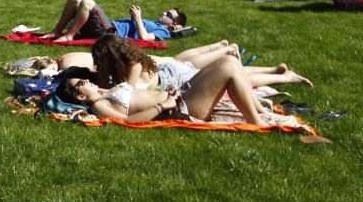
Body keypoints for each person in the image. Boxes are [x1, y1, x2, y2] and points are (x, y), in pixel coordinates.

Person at [60, 58, 267, 126]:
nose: (88, 80)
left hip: (176, 96)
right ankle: (256, 122)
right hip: (180, 108)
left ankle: (259, 112)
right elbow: (127, 122)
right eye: (82, 82)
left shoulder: (104, 93)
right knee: (227, 68)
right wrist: (162, 105)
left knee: (230, 61)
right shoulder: (98, 106)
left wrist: (167, 93)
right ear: (81, 96)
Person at [90, 34, 313, 91]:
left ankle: (284, 77)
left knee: (234, 79)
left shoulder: (133, 66)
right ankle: (274, 70)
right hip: (172, 69)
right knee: (228, 71)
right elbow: (103, 83)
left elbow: (126, 94)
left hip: (177, 76)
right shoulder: (127, 60)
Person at [42, 0, 187, 42]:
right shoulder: (154, 23)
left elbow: (144, 38)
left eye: (169, 15)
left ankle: (69, 36)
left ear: (175, 25)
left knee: (87, 2)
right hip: (105, 28)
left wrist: (137, 18)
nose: (164, 13)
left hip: (109, 33)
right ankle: (57, 31)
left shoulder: (163, 32)